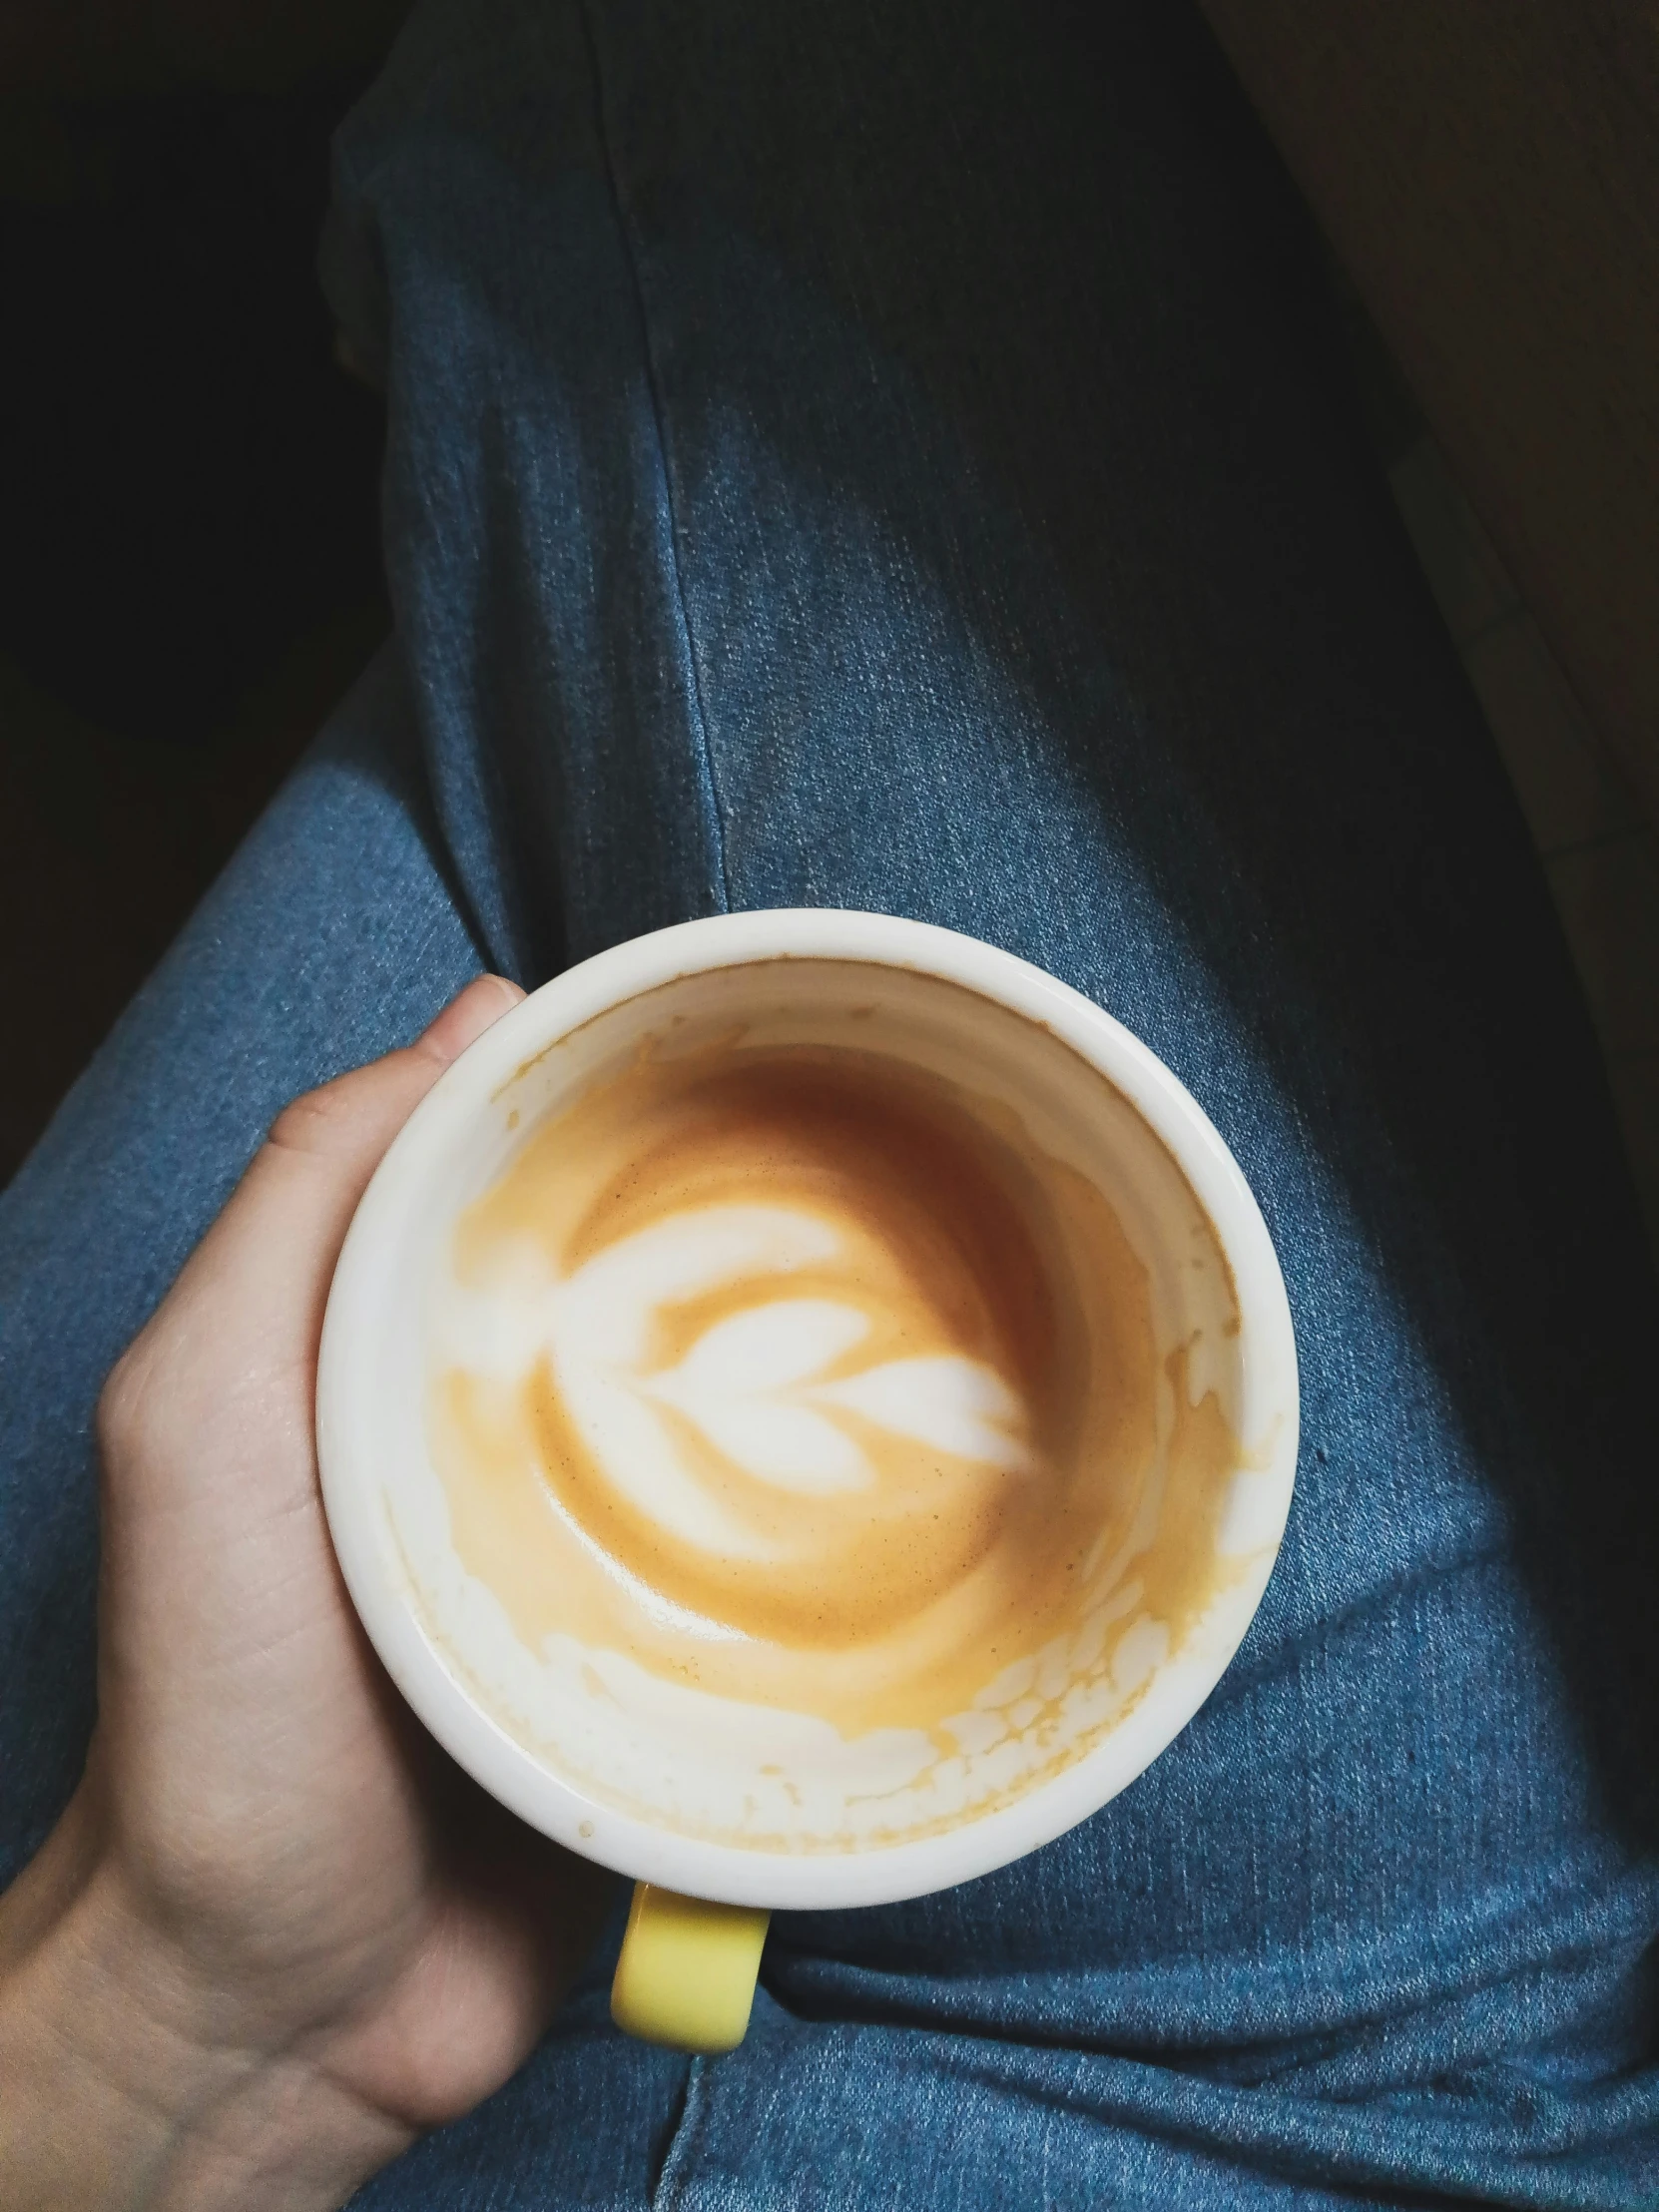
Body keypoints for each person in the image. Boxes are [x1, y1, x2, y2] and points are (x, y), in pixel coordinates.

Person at [3, 2, 1657, 2204]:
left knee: (658, 258)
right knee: (744, 107)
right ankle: (352, 298)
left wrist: (189, 2018)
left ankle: (295, 352)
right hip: (1404, 2120)